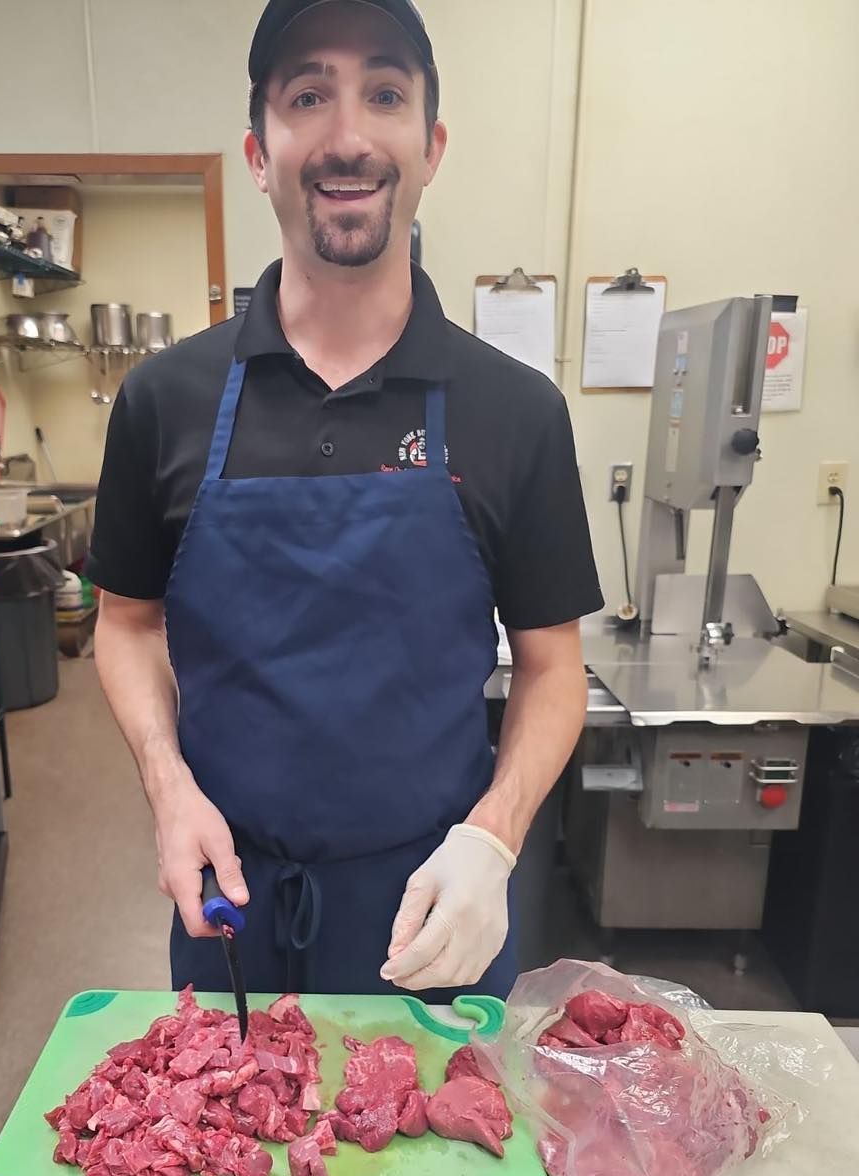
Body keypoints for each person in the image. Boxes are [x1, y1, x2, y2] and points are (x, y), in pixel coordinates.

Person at [87, 0, 602, 1000]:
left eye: (385, 93)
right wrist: (166, 783)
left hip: (431, 911)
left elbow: (554, 666)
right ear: (258, 149)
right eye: (308, 94)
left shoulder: (515, 412)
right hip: (226, 902)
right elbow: (125, 623)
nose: (349, 135)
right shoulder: (165, 399)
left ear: (431, 143)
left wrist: (494, 842)